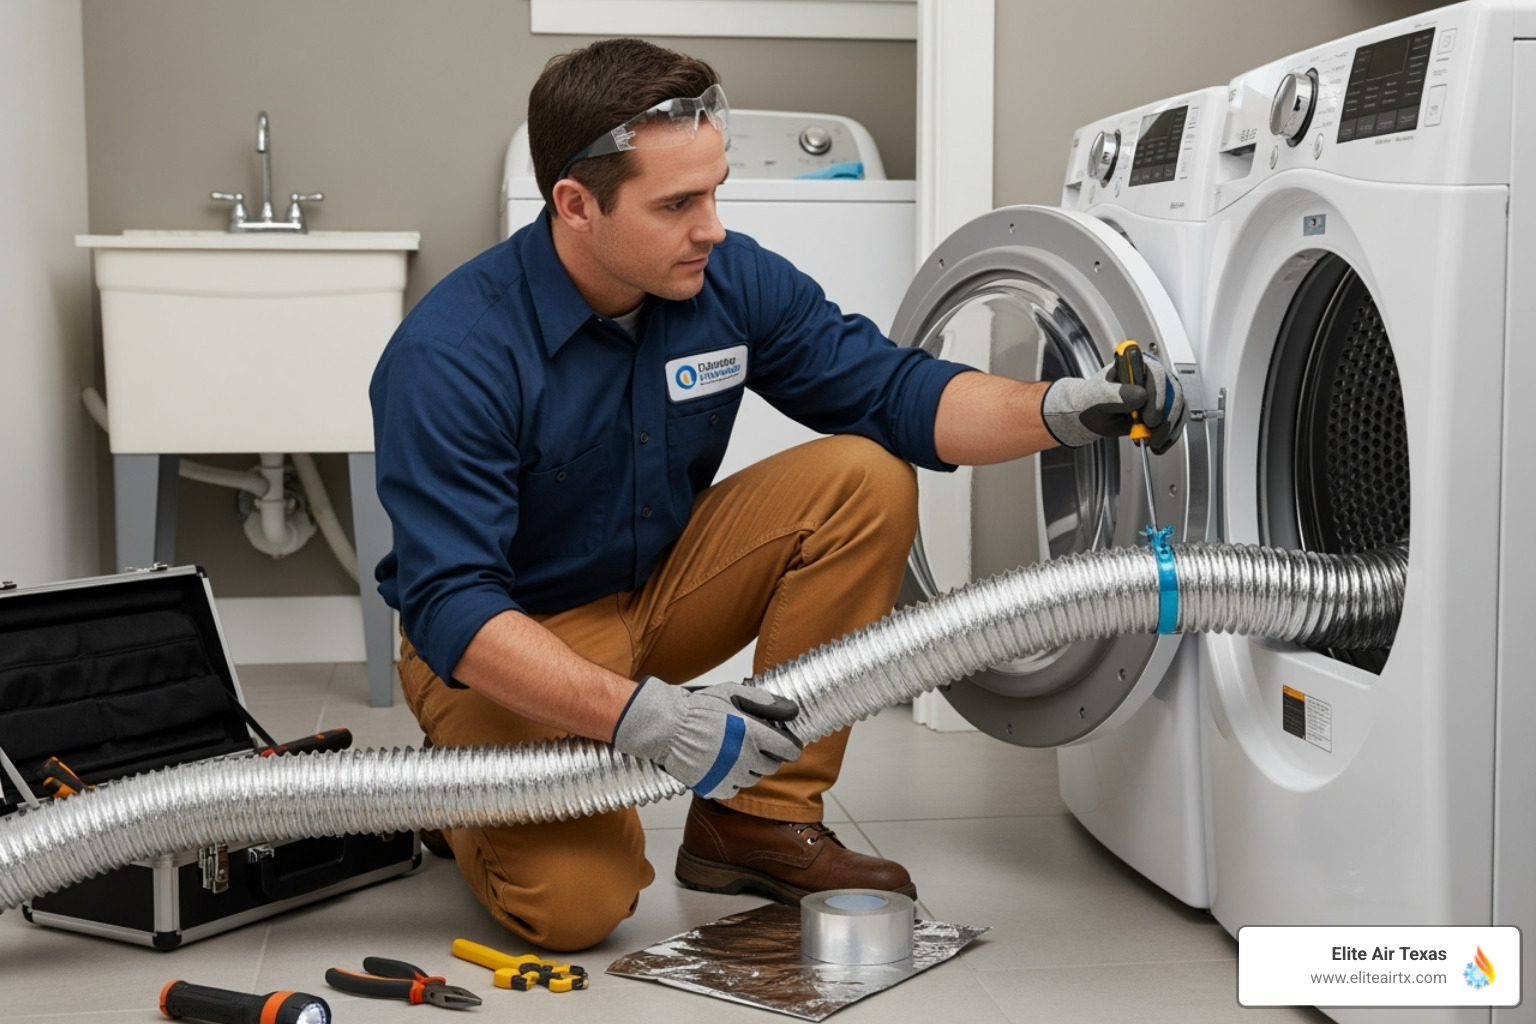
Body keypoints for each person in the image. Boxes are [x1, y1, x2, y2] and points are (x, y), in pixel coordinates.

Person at [369, 38, 1185, 952]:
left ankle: (754, 820)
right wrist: (650, 718)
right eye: (677, 203)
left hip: (659, 590)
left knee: (862, 474)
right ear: (575, 205)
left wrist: (1059, 409)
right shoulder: (453, 355)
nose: (711, 227)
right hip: (509, 640)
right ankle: (458, 793)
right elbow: (454, 604)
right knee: (577, 908)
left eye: (715, 191)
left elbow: (891, 392)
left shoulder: (726, 277)